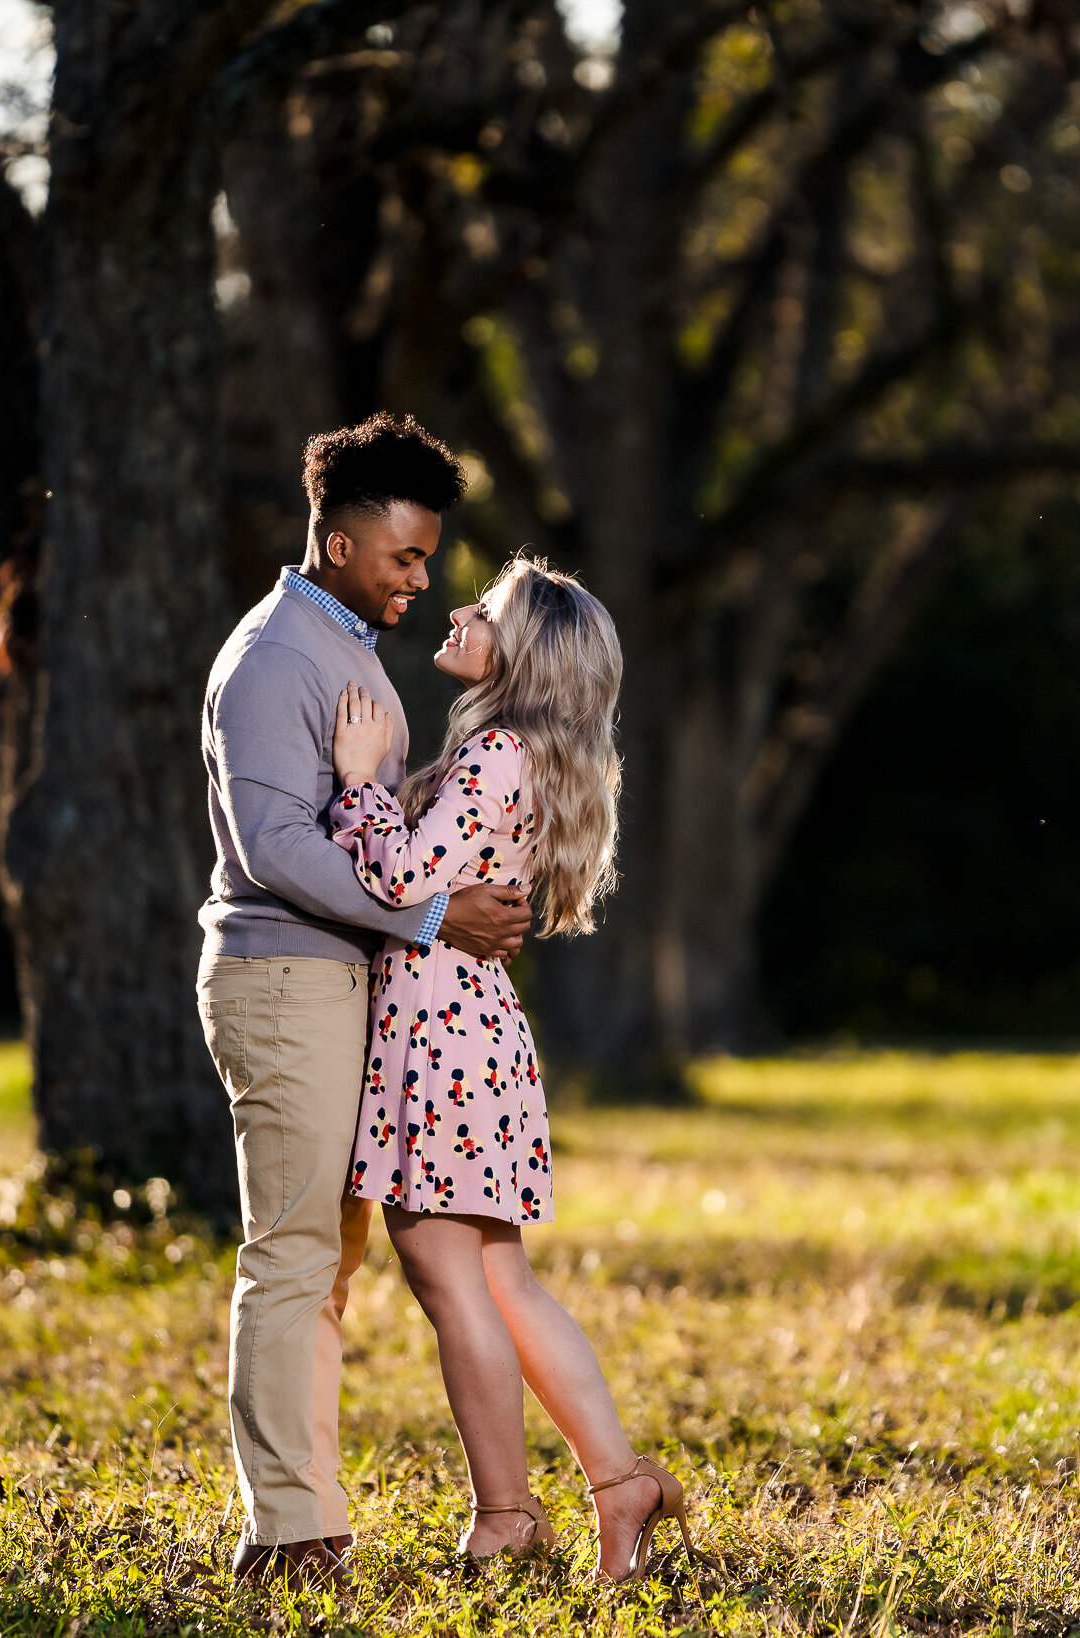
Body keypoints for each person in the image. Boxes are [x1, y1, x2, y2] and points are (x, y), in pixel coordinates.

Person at [195, 413, 532, 1587]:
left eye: (428, 558)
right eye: (404, 557)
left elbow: (366, 824)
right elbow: (276, 845)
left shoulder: (344, 646)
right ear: (340, 543)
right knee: (291, 1256)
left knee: (323, 1261)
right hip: (282, 978)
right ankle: (288, 1535)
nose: (420, 579)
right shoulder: (280, 656)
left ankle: (305, 1518)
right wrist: (433, 917)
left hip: (337, 979)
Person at [326, 554, 693, 1582]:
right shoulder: (525, 756)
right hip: (470, 1031)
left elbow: (397, 876)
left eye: (481, 611)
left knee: (452, 1282)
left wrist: (358, 779)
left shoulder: (496, 756)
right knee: (498, 1277)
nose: (456, 610)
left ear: (521, 653)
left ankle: (505, 1517)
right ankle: (621, 1486)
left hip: (441, 1032)